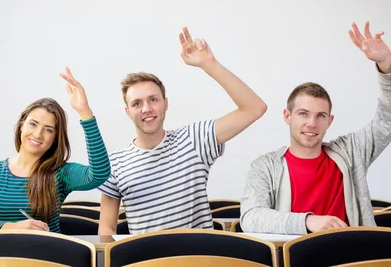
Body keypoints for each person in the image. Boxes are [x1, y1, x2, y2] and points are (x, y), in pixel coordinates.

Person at [240, 22, 391, 235]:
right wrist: (309, 222)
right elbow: (251, 217)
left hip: (353, 257)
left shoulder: (351, 153)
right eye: (303, 114)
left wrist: (386, 64)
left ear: (330, 121)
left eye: (320, 116)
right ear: (287, 116)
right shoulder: (265, 166)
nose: (312, 123)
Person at [98, 27, 268, 235]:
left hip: (200, 259)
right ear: (128, 112)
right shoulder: (115, 163)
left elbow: (254, 108)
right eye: (137, 103)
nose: (147, 109)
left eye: (153, 99)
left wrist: (209, 65)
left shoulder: (194, 139)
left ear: (165, 104)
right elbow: (107, 228)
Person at [0, 67, 110, 234]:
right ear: (21, 125)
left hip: (49, 255)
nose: (38, 134)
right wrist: (12, 228)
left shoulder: (60, 173)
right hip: (3, 256)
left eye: (48, 129)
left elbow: (99, 174)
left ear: (55, 138)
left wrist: (85, 112)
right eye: (33, 124)